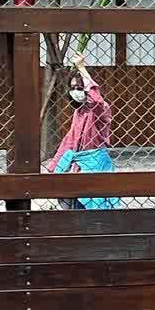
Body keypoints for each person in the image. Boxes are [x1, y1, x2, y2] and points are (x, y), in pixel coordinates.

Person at [45, 53, 115, 210]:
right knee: (72, 202)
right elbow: (69, 141)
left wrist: (82, 68)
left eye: (80, 88)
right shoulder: (79, 112)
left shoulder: (100, 109)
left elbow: (96, 100)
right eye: (72, 88)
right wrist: (56, 165)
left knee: (97, 205)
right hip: (79, 166)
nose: (76, 91)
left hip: (96, 165)